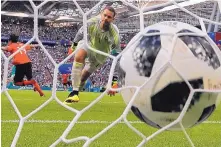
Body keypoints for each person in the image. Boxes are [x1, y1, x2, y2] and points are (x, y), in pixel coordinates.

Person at [64, 6, 121, 104]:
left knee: (83, 77)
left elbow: (117, 58)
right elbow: (80, 33)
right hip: (89, 45)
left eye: (109, 17)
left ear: (113, 19)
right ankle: (74, 93)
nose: (106, 18)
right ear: (101, 14)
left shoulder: (115, 34)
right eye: (105, 15)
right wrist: (73, 46)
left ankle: (78, 90)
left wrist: (114, 81)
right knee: (79, 56)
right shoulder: (92, 22)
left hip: (101, 55)